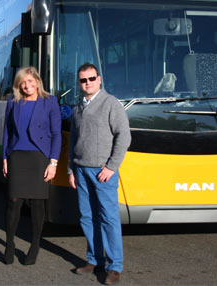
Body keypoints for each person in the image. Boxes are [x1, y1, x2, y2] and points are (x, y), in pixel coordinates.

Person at [68, 62, 131, 285]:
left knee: (109, 218)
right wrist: (71, 169)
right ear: (79, 83)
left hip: (103, 172)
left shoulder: (110, 104)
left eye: (91, 79)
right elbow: (73, 141)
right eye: (83, 80)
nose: (88, 83)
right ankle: (94, 260)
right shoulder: (78, 108)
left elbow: (124, 137)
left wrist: (111, 167)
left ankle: (115, 266)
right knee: (87, 217)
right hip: (81, 170)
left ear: (99, 79)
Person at [2, 67, 62, 265]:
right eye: (22, 82)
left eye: (30, 81)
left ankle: (34, 246)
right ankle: (9, 244)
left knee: (37, 203)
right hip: (17, 156)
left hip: (39, 158)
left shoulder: (50, 101)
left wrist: (53, 162)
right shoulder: (13, 102)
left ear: (37, 80)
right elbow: (7, 132)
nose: (27, 86)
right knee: (13, 201)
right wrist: (4, 157)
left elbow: (56, 133)